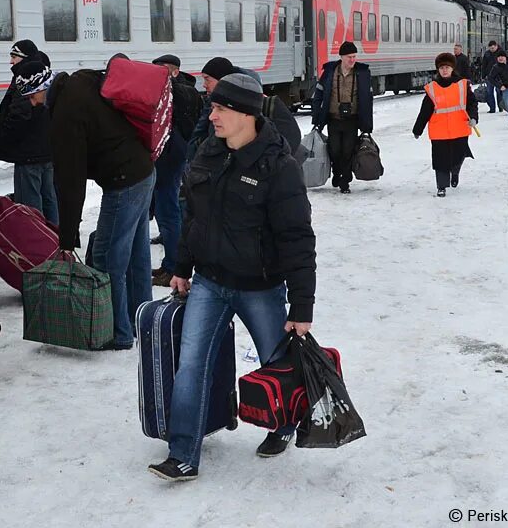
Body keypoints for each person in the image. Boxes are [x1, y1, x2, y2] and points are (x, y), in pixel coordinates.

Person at [148, 73, 316, 482]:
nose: (213, 114)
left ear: (246, 114)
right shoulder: (208, 150)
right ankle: (183, 452)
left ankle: (283, 425)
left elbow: (297, 239)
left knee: (274, 363)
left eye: (221, 108)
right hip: (208, 281)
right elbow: (194, 217)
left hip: (260, 287)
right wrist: (181, 269)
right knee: (190, 365)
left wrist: (301, 306)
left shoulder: (279, 166)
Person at [47, 61, 155, 350]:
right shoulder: (82, 81)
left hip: (124, 181)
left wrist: (67, 239)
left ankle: (118, 334)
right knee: (136, 254)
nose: (33, 106)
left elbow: (70, 183)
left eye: (32, 98)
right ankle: (142, 321)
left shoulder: (64, 113)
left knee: (108, 259)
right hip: (144, 170)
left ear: (42, 91)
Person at [150, 54, 203, 287]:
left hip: (168, 156)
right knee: (170, 208)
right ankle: (171, 264)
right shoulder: (190, 88)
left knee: (167, 211)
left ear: (172, 71)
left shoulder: (174, 91)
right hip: (178, 155)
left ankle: (172, 267)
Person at [0, 40, 58, 225]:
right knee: (49, 198)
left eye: (14, 57)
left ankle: (37, 246)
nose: (11, 62)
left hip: (28, 153)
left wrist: (5, 139)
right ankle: (57, 242)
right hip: (47, 150)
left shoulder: (26, 77)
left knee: (30, 206)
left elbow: (18, 115)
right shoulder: (44, 72)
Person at [188, 57, 302, 161]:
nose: (204, 85)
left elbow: (291, 138)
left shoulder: (266, 104)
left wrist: (263, 165)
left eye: (207, 79)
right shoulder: (210, 106)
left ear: (222, 79)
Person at [412, 53, 479, 197]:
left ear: (452, 68)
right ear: (438, 69)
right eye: (442, 67)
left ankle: (455, 172)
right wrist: (418, 129)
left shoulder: (462, 84)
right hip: (439, 130)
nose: (444, 70)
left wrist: (473, 117)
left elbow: (472, 103)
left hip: (460, 128)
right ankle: (441, 186)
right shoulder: (432, 88)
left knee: (457, 156)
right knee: (440, 159)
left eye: (447, 67)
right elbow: (425, 111)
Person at [311, 41, 373, 194]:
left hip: (352, 119)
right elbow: (318, 95)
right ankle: (337, 172)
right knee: (334, 150)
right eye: (349, 57)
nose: (352, 60)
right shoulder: (330, 72)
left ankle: (345, 181)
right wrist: (316, 116)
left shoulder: (362, 73)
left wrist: (367, 124)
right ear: (341, 57)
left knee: (348, 151)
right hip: (333, 118)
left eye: (354, 56)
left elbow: (367, 100)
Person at [480, 41, 503, 112]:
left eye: (493, 48)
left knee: (499, 92)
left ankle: (500, 107)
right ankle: (492, 108)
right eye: (490, 48)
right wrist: (483, 76)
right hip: (489, 76)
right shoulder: (487, 54)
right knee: (490, 92)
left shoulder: (501, 53)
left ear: (496, 46)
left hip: (499, 76)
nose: (492, 50)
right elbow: (484, 65)